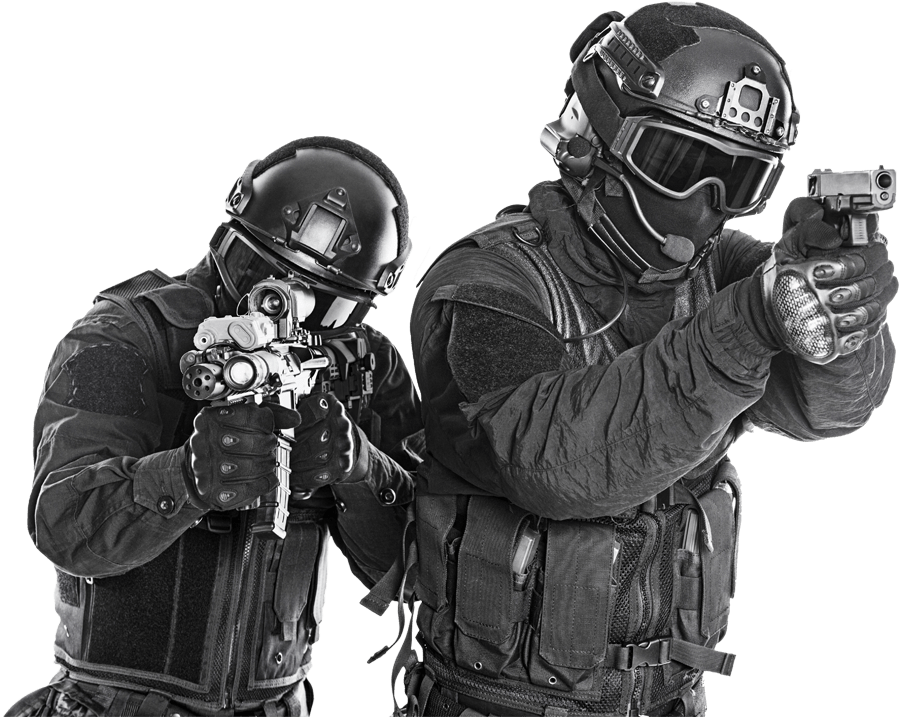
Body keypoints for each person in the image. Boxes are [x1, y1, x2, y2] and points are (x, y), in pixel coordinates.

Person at [401, 4, 896, 717]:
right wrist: (748, 323)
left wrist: (837, 307)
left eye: (738, 179)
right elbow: (553, 464)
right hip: (504, 703)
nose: (707, 205)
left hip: (670, 698)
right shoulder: (485, 286)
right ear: (593, 140)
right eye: (681, 165)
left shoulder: (713, 271)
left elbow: (828, 408)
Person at [8, 136, 422, 717]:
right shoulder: (127, 335)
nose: (282, 310)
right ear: (227, 243)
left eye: (327, 307)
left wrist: (364, 472)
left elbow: (423, 575)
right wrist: (184, 478)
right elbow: (63, 524)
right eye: (259, 276)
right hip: (119, 703)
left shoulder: (362, 367)